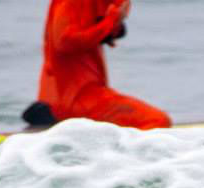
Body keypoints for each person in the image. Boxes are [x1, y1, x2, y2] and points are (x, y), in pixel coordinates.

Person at [22, 0, 171, 129]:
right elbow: (64, 41)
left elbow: (97, 25)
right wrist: (110, 22)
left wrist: (113, 26)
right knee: (158, 121)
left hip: (77, 97)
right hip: (76, 99)